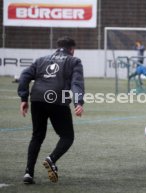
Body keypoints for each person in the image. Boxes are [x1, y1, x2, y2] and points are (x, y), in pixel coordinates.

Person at [18, 36, 85, 184]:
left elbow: (24, 76)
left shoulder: (41, 59)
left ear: (57, 46)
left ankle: (28, 173)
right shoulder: (74, 61)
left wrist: (23, 98)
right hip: (57, 100)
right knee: (67, 136)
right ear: (72, 49)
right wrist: (78, 102)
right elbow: (76, 83)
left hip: (37, 99)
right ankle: (51, 159)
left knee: (37, 136)